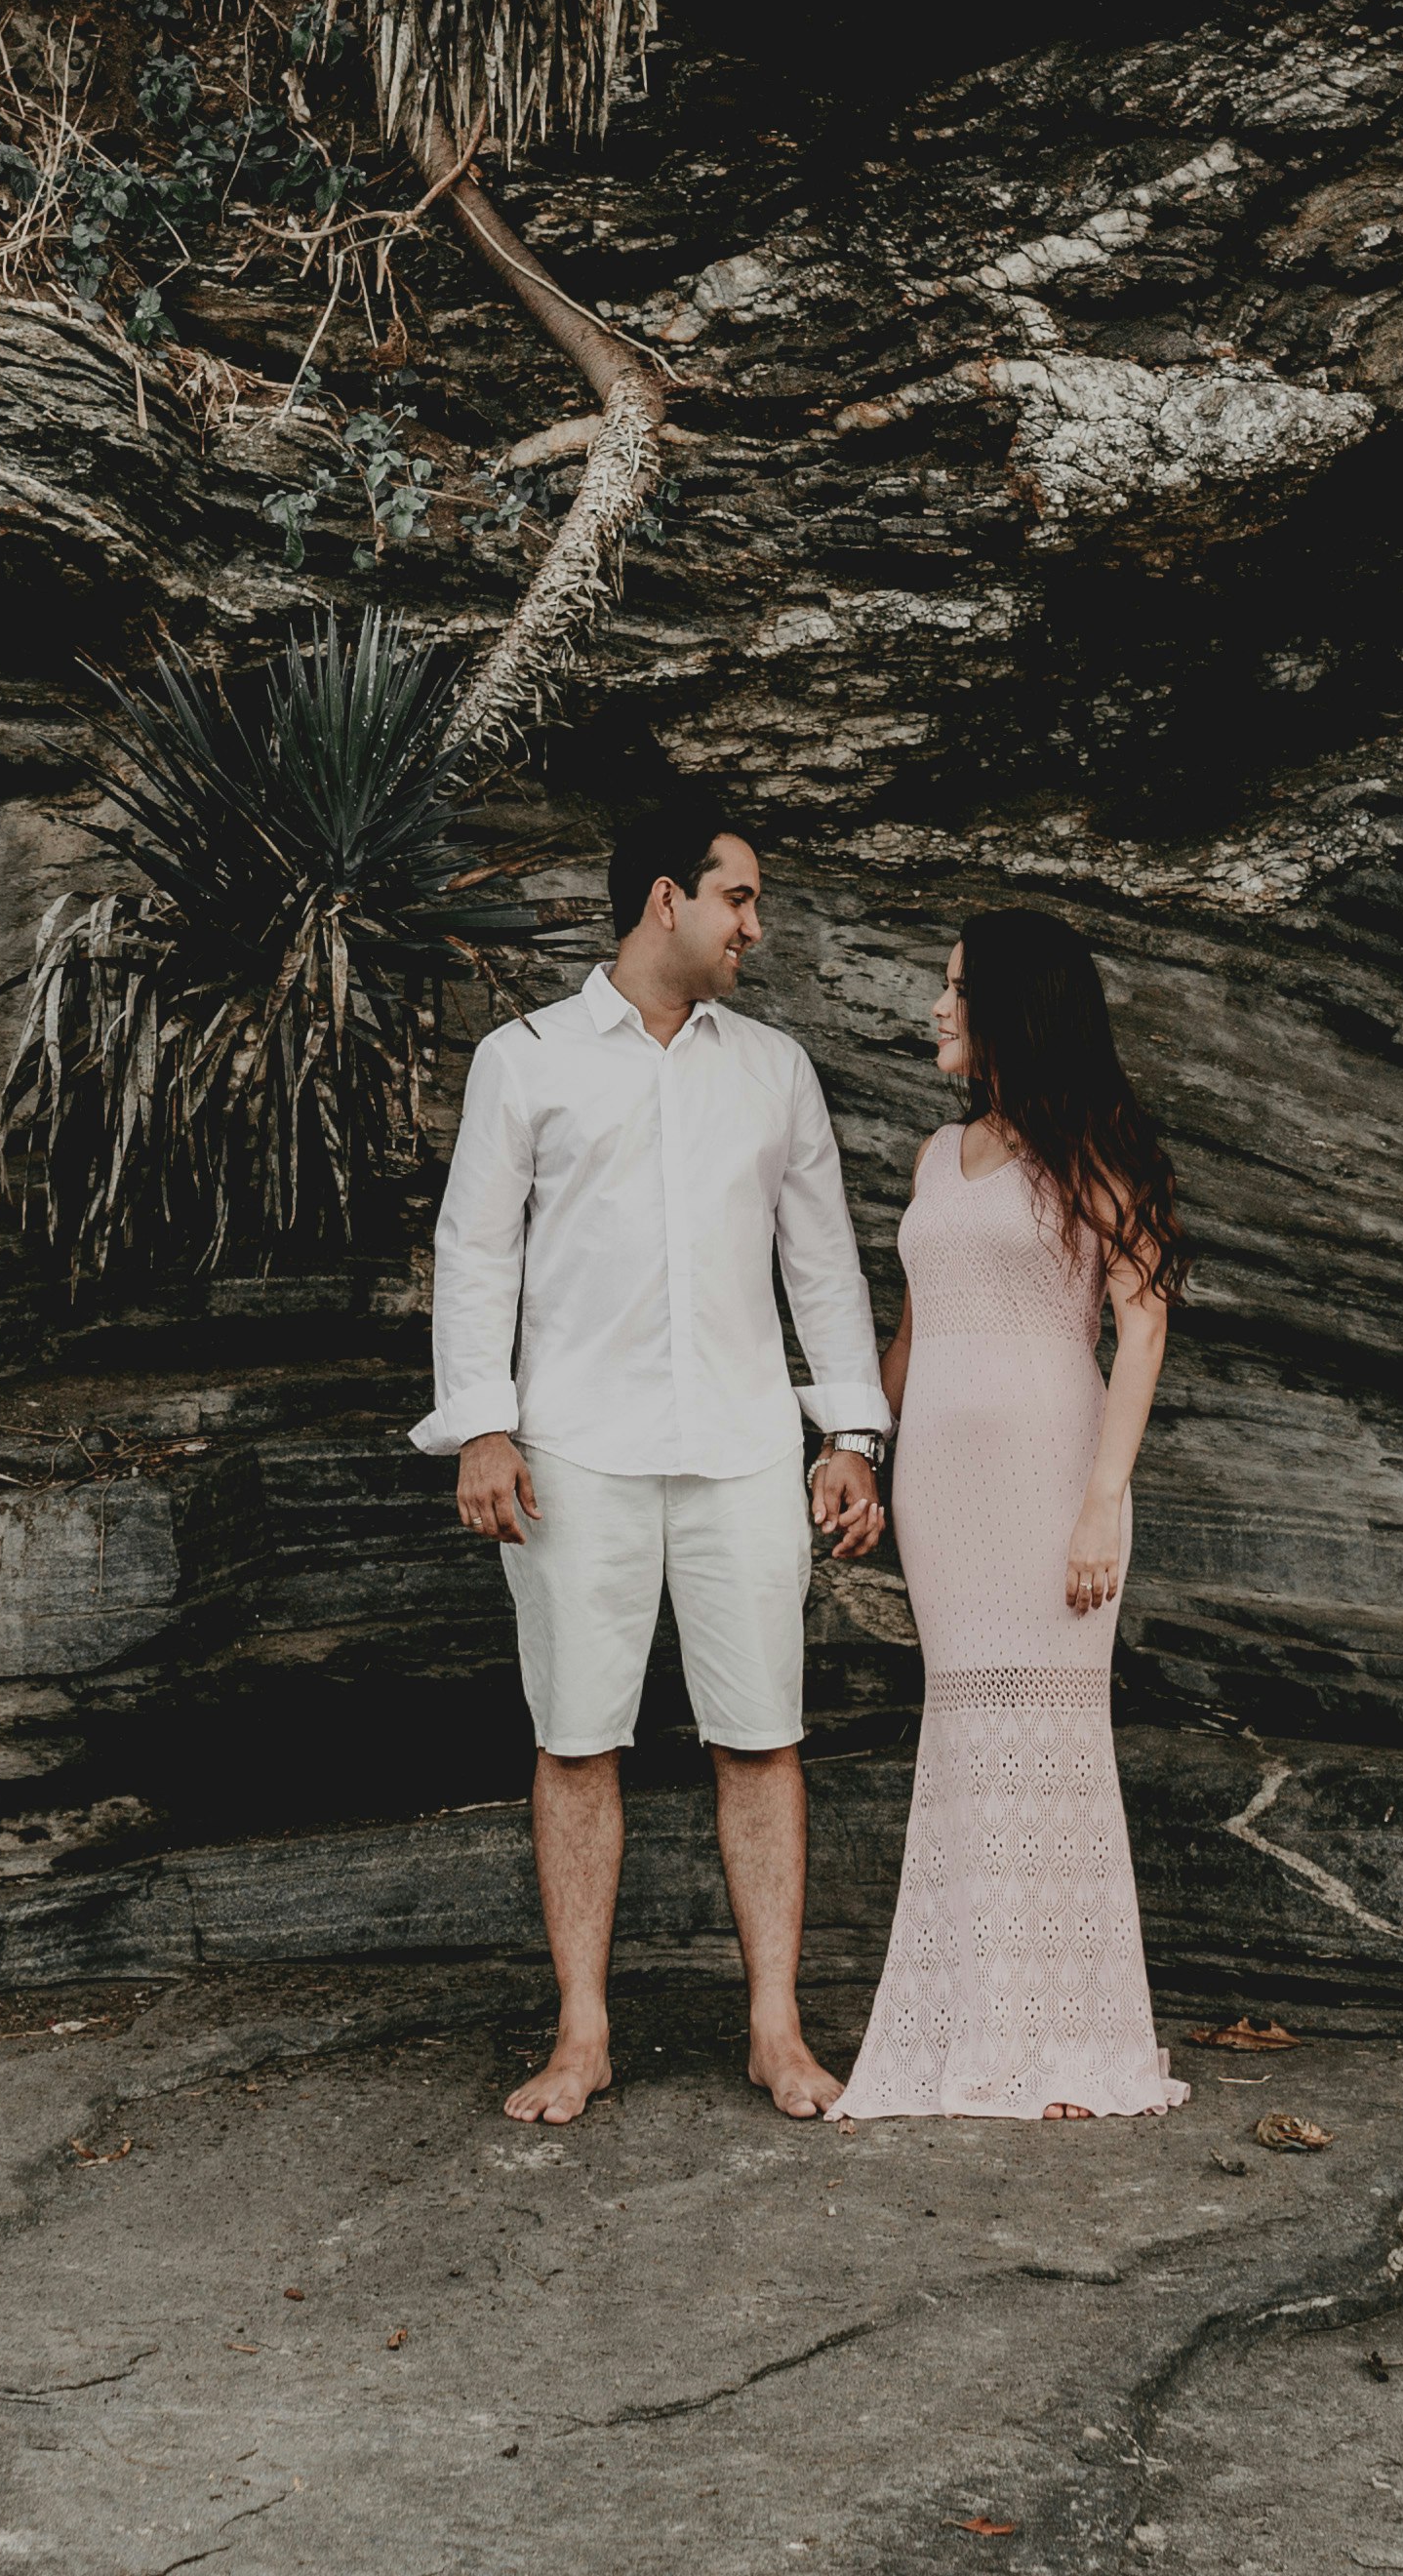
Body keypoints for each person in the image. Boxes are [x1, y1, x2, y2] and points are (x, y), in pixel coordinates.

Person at [421, 792, 889, 2127]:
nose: (758, 923)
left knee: (763, 1740)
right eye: (739, 897)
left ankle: (776, 2032)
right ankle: (582, 2036)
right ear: (664, 901)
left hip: (746, 1450)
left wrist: (849, 1435)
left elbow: (823, 1265)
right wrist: (484, 1424)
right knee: (576, 1742)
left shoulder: (773, 1068)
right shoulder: (525, 1059)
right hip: (576, 1456)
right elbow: (476, 1252)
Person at [832, 907, 1192, 2124]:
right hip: (944, 1489)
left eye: (956, 989)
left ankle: (1067, 2044)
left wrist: (1103, 1501)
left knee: (1052, 1742)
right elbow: (913, 1328)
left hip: (1054, 1481)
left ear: (1015, 1010)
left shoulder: (1085, 1148)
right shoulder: (940, 1159)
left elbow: (1143, 1326)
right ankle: (977, 2034)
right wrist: (864, 1458)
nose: (935, 1008)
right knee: (970, 1739)